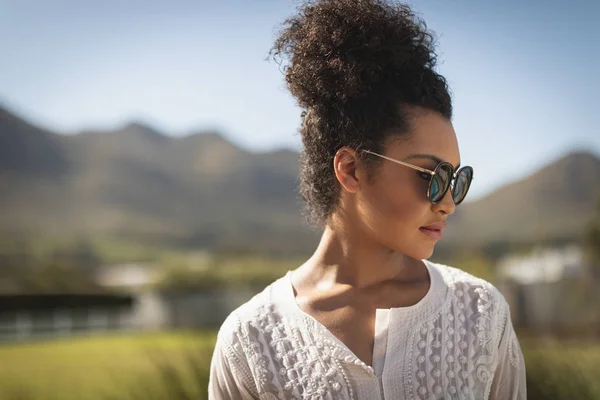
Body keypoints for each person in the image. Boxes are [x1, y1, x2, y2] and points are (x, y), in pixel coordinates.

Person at [208, 0, 527, 398]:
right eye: (431, 176)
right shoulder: (251, 340)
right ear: (351, 170)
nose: (448, 202)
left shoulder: (480, 313)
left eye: (457, 178)